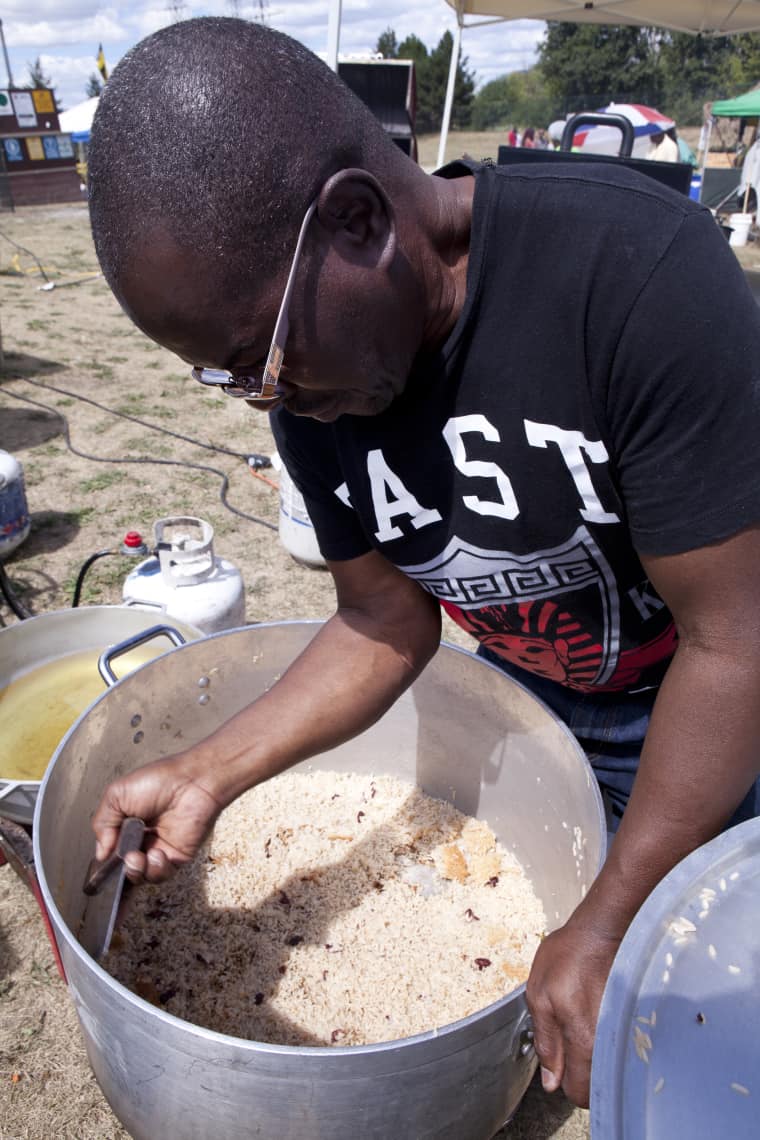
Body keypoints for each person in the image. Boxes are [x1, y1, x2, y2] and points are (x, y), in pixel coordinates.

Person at [86, 17, 760, 1111]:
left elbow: (738, 641)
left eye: (258, 360)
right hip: (528, 701)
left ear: (357, 220)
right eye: (230, 382)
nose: (269, 401)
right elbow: (382, 620)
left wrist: (611, 909)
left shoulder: (634, 277)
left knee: (685, 1020)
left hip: (698, 711)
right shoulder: (316, 375)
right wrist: (207, 771)